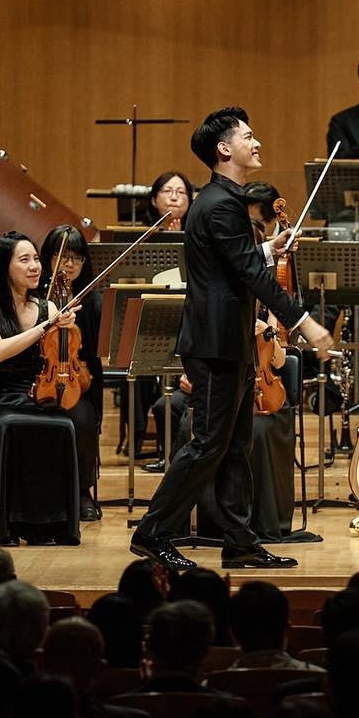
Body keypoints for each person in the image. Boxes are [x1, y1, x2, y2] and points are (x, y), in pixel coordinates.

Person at [128, 107, 333, 571]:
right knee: (207, 444)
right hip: (216, 343)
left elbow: (232, 260)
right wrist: (304, 321)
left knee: (235, 445)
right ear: (224, 149)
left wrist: (265, 249)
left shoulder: (222, 201)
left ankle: (240, 542)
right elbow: (250, 276)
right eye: (249, 135)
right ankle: (153, 531)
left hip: (229, 340)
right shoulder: (221, 203)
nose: (257, 142)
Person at [0, 231, 89, 545]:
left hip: (33, 395)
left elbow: (60, 354)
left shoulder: (47, 307)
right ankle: (6, 525)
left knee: (64, 424)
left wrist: (64, 328)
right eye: (25, 259)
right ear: (3, 266)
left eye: (36, 258)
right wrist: (46, 326)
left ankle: (47, 525)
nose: (35, 266)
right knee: (10, 425)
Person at [39, 224, 104, 521]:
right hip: (41, 382)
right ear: (48, 259)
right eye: (62, 256)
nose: (69, 264)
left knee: (84, 419)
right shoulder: (35, 299)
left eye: (76, 258)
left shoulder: (91, 300)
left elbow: (94, 352)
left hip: (78, 382)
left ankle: (82, 491)